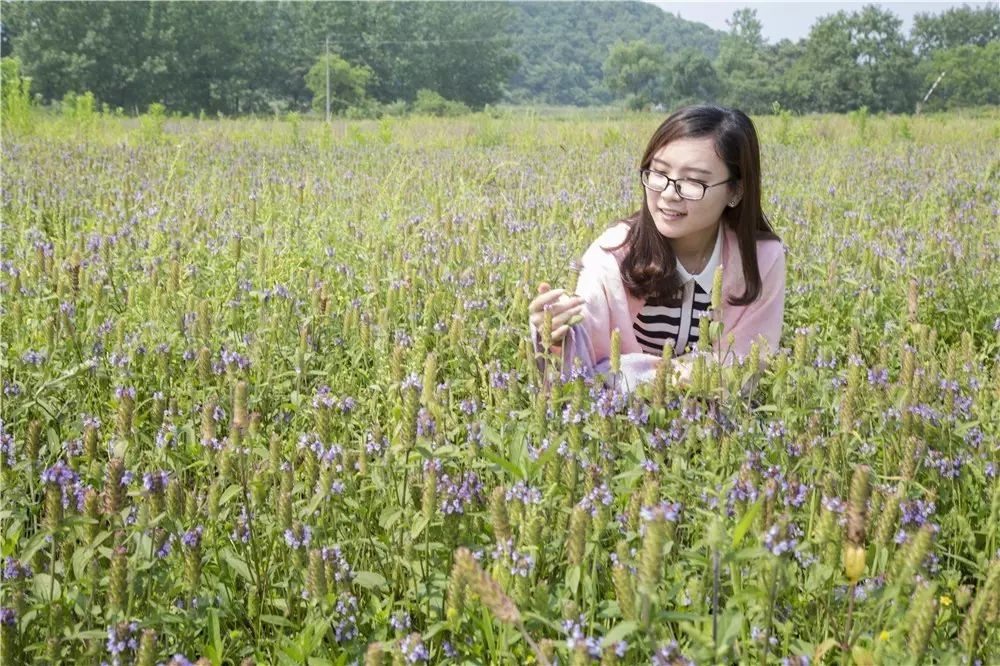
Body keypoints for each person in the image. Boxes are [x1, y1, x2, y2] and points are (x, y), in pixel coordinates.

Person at [527, 105, 785, 390]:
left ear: (735, 191)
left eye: (693, 182)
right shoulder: (611, 257)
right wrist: (553, 337)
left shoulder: (761, 259)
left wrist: (634, 375)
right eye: (658, 173)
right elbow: (582, 369)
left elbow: (746, 367)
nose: (668, 194)